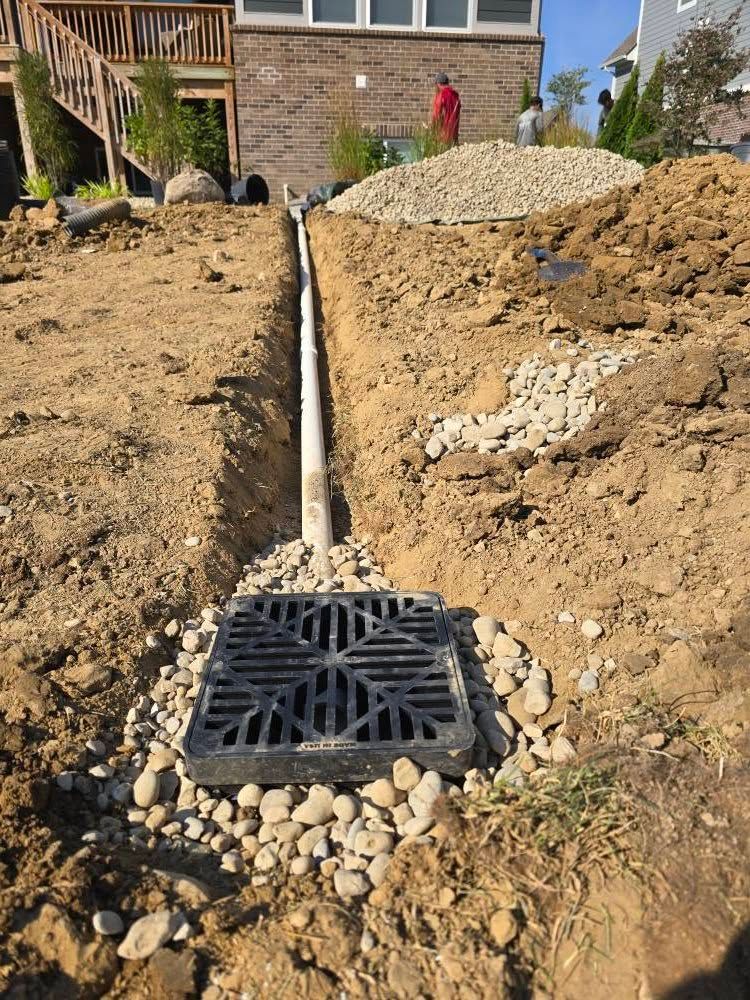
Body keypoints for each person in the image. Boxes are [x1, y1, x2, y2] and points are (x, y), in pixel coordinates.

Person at [431, 73, 461, 145]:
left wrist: (432, 130)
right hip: (454, 136)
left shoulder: (441, 95)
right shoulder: (456, 96)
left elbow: (436, 115)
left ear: (438, 84)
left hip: (442, 136)